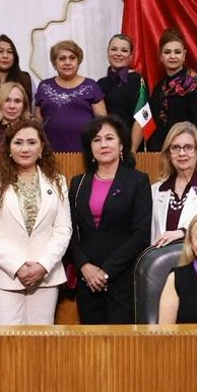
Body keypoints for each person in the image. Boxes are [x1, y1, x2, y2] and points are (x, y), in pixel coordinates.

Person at [0, 120, 72, 325]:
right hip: (3, 277)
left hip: (45, 278)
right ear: (9, 148)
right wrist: (18, 266)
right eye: (18, 143)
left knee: (41, 346)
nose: (25, 148)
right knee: (8, 347)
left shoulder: (58, 181)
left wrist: (43, 265)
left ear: (41, 148)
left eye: (31, 142)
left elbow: (63, 230)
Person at [68, 116, 152, 324]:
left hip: (123, 279)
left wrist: (106, 272)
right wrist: (84, 267)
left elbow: (141, 234)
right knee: (91, 350)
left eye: (109, 138)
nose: (103, 144)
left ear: (121, 144)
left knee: (122, 351)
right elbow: (69, 230)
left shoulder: (137, 181)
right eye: (96, 140)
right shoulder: (78, 183)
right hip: (87, 281)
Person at [147, 28, 197, 151]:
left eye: (177, 52)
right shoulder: (159, 87)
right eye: (167, 52)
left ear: (184, 55)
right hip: (160, 153)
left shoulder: (195, 85)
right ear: (160, 56)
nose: (172, 56)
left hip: (188, 151)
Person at [35, 39, 106, 152]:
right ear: (54, 63)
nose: (67, 62)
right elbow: (38, 120)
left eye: (72, 58)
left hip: (86, 151)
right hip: (50, 151)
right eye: (62, 58)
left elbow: (103, 122)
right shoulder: (44, 86)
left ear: (79, 61)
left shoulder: (91, 85)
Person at [97, 33, 146, 151]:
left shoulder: (137, 80)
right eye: (114, 49)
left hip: (131, 149)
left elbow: (143, 117)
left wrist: (132, 150)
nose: (118, 54)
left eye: (124, 50)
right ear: (108, 53)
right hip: (106, 148)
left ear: (131, 56)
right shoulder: (100, 83)